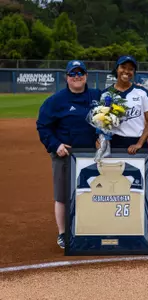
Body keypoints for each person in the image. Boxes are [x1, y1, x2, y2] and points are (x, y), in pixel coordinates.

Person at [36, 60, 101, 249]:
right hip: (65, 154)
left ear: (86, 76)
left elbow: (112, 109)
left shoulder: (96, 96)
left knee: (89, 192)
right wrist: (55, 145)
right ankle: (63, 233)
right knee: (62, 195)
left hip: (90, 154)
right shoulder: (56, 100)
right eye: (73, 74)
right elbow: (43, 125)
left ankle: (87, 228)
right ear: (67, 77)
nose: (77, 77)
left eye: (80, 73)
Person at [103, 55, 148, 154]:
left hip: (138, 141)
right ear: (117, 69)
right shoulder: (106, 94)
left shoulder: (141, 92)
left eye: (131, 69)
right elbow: (101, 122)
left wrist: (139, 143)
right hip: (115, 142)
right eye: (123, 67)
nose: (126, 71)